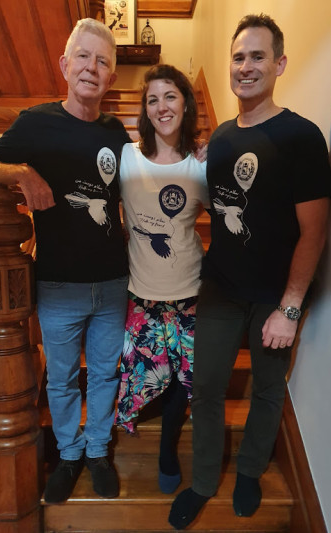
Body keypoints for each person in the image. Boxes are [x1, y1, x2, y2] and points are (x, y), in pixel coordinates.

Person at [169, 13, 331, 529]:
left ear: (279, 64)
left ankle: (248, 471)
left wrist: (288, 308)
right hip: (220, 286)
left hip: (274, 295)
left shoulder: (300, 136)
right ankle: (201, 481)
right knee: (206, 387)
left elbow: (315, 232)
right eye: (238, 57)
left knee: (266, 389)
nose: (246, 66)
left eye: (258, 56)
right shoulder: (218, 137)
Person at [0, 18, 132, 504]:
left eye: (103, 61)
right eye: (84, 57)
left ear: (110, 78)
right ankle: (69, 454)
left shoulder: (116, 133)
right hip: (58, 286)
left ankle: (98, 452)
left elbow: (136, 191)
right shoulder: (35, 122)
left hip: (112, 283)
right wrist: (22, 173)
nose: (92, 67)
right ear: (65, 65)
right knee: (62, 377)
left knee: (105, 373)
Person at [115, 64, 209, 494]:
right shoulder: (126, 157)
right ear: (145, 110)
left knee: (183, 380)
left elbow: (225, 220)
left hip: (190, 293)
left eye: (170, 96)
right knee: (152, 374)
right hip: (144, 296)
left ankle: (168, 450)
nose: (161, 106)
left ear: (186, 103)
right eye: (152, 99)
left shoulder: (201, 165)